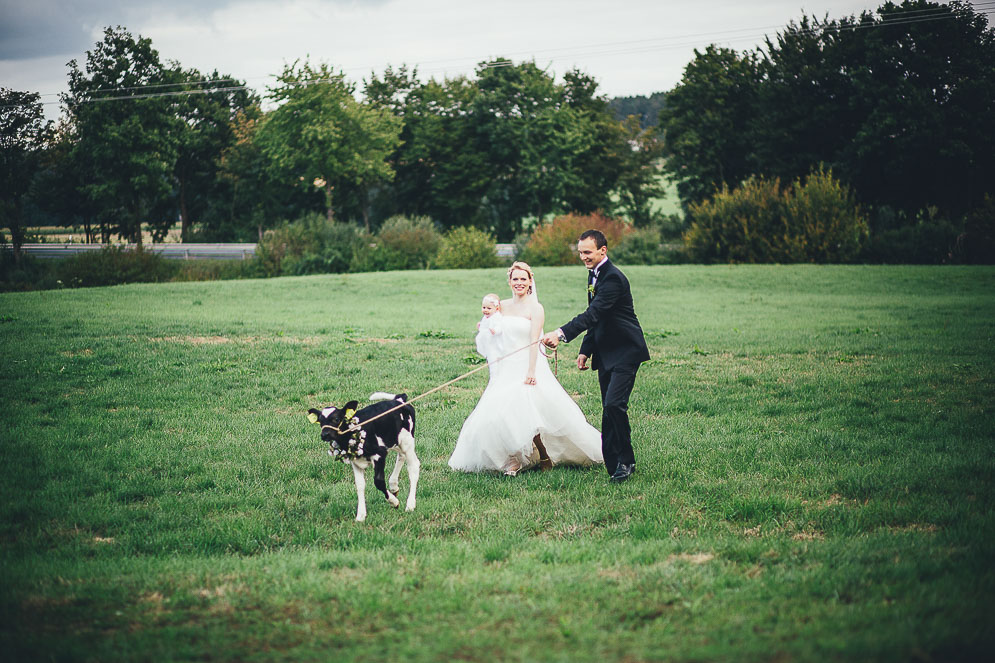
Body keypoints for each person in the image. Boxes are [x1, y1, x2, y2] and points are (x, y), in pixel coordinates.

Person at [449, 262, 603, 476]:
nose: (519, 283)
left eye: (523, 279)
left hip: (528, 365)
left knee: (529, 414)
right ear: (509, 282)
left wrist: (531, 372)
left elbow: (534, 342)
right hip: (504, 367)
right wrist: (484, 327)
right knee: (498, 414)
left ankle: (544, 454)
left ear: (530, 281)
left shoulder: (535, 308)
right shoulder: (501, 306)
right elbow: (492, 328)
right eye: (515, 279)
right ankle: (512, 460)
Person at [542, 229, 650, 483]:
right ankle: (616, 463)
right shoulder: (594, 275)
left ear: (603, 250)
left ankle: (625, 461)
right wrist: (585, 350)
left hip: (626, 350)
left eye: (588, 252)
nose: (583, 257)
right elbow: (596, 316)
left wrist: (561, 333)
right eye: (580, 252)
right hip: (606, 353)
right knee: (609, 408)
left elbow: (593, 313)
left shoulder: (613, 278)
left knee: (614, 405)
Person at [475, 293, 504, 365]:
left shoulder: (496, 317)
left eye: (489, 308)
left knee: (494, 354)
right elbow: (484, 325)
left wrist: (495, 330)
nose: (485, 310)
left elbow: (500, 326)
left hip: (494, 339)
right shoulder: (486, 317)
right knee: (489, 353)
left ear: (496, 308)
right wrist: (480, 325)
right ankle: (489, 359)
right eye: (484, 308)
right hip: (487, 339)